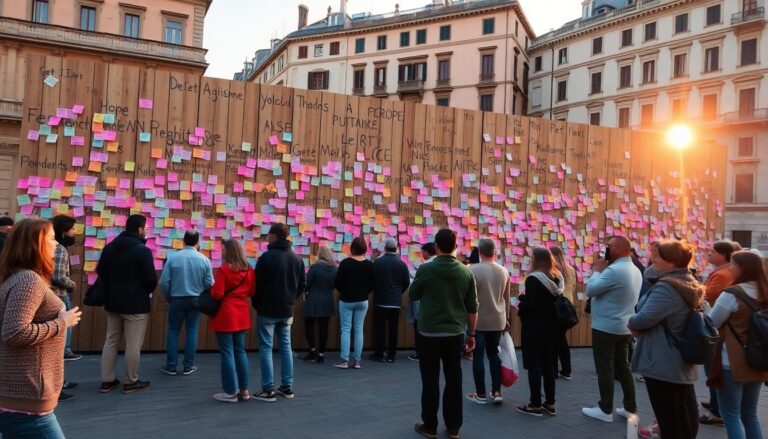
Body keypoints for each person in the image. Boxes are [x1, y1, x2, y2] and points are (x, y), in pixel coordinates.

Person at [0, 218, 81, 438]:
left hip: (21, 396)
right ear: (35, 244)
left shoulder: (17, 277)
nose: (56, 244)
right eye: (52, 238)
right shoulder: (28, 280)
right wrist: (61, 323)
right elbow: (14, 332)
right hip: (27, 401)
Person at [628, 240, 705, 439]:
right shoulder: (689, 282)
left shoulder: (667, 288)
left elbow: (644, 318)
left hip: (662, 359)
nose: (654, 259)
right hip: (679, 358)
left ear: (671, 262)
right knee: (684, 412)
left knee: (669, 417)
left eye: (659, 256)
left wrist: (630, 320)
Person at [410, 229, 478, 439]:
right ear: (455, 246)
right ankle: (454, 427)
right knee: (454, 379)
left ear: (437, 246)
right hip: (454, 333)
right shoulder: (466, 272)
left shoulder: (425, 269)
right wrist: (472, 334)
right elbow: (472, 307)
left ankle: (429, 425)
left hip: (428, 332)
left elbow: (413, 294)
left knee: (429, 378)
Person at [707, 250, 768, 439]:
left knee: (731, 415)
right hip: (759, 360)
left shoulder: (732, 294)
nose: (729, 267)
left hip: (731, 361)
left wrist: (706, 309)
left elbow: (712, 323)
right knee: (749, 414)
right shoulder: (765, 291)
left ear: (743, 268)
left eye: (733, 264)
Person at [582, 236, 642, 423]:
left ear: (618, 249)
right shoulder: (634, 268)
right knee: (623, 367)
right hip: (624, 325)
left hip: (606, 327)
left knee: (605, 367)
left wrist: (596, 271)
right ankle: (630, 407)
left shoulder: (614, 270)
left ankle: (605, 408)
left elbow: (590, 290)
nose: (605, 251)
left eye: (608, 247)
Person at [97, 214, 158, 394]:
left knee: (111, 340)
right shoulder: (142, 250)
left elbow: (101, 271)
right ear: (140, 229)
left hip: (112, 301)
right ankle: (131, 381)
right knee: (133, 343)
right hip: (135, 304)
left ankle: (107, 380)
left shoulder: (110, 247)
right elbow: (150, 280)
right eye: (146, 227)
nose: (146, 230)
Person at [252, 223, 305, 402]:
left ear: (274, 236)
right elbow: (301, 286)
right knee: (285, 347)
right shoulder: (297, 259)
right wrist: (291, 300)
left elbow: (256, 286)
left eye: (268, 234)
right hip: (287, 309)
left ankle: (268, 390)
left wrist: (257, 305)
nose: (266, 237)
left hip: (267, 309)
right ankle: (287, 386)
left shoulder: (266, 258)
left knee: (266, 348)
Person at [158, 230, 213, 376]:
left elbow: (163, 282)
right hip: (196, 300)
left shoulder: (173, 258)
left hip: (176, 299)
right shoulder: (204, 259)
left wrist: (168, 296)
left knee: (173, 331)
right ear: (198, 242)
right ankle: (188, 366)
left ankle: (171, 366)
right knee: (192, 331)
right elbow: (209, 283)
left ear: (183, 241)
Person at [516, 247, 563, 416]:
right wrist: (525, 298)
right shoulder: (556, 277)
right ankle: (550, 403)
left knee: (534, 365)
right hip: (551, 326)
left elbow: (532, 305)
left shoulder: (533, 279)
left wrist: (520, 306)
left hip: (534, 327)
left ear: (536, 259)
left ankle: (535, 403)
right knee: (548, 364)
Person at [209, 239, 255, 403]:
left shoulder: (223, 270)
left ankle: (230, 392)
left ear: (229, 251)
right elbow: (251, 291)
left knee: (227, 353)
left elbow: (217, 294)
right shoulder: (249, 270)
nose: (221, 252)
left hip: (226, 315)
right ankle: (244, 390)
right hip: (242, 314)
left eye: (223, 249)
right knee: (240, 352)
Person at [465, 238, 510, 405]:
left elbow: (467, 298)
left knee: (478, 355)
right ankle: (497, 391)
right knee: (493, 355)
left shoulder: (471, 269)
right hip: (498, 319)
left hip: (478, 320)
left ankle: (481, 393)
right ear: (494, 251)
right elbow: (506, 298)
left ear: (479, 251)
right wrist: (506, 319)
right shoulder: (504, 271)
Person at [700, 240, 736, 426]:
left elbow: (705, 296)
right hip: (720, 329)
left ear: (723, 255)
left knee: (713, 368)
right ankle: (716, 404)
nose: (708, 254)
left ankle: (717, 410)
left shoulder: (722, 274)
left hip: (716, 328)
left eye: (712, 252)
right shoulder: (723, 272)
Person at [51, 215, 80, 403]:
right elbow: (58, 276)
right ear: (64, 231)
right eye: (72, 229)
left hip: (56, 296)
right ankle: (57, 386)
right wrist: (73, 284)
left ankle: (60, 382)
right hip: (60, 296)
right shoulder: (60, 249)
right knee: (60, 345)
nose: (74, 232)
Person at [333, 237, 375, 369]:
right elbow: (372, 284)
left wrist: (344, 291)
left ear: (352, 248)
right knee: (358, 330)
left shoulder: (345, 263)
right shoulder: (369, 265)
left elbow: (338, 283)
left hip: (347, 300)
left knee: (345, 330)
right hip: (362, 300)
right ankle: (357, 361)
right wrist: (364, 292)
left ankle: (344, 360)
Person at [371, 237, 410, 363]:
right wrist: (398, 293)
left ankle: (379, 353)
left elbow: (373, 281)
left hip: (380, 301)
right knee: (393, 329)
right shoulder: (402, 264)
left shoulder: (378, 262)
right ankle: (392, 355)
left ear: (385, 248)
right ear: (396, 248)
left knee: (380, 328)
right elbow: (406, 283)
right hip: (395, 302)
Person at [303, 246, 337, 364]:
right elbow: (334, 285)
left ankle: (312, 350)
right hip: (327, 299)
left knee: (309, 324)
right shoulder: (334, 269)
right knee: (324, 327)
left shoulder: (315, 267)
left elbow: (307, 283)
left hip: (313, 299)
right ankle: (321, 354)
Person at [549, 246, 576, 380]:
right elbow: (573, 288)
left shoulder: (554, 271)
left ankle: (553, 371)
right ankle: (566, 370)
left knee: (554, 340)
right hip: (568, 307)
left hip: (556, 307)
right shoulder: (571, 269)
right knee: (561, 339)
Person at [407, 242, 436, 362]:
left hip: (423, 305)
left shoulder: (425, 267)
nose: (421, 254)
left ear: (427, 252)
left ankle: (420, 353)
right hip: (435, 307)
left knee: (419, 329)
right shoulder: (440, 264)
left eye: (422, 251)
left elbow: (415, 290)